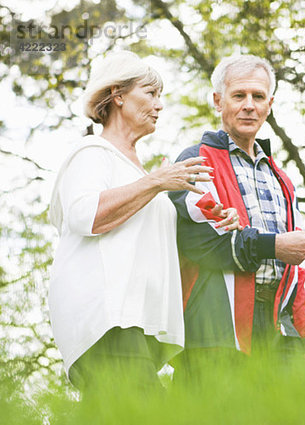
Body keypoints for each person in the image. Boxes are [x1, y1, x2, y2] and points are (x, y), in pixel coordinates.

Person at [48, 51, 240, 393]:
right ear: (118, 95)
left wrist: (214, 221)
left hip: (138, 330)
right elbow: (86, 214)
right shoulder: (91, 153)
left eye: (160, 96)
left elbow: (157, 243)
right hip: (106, 322)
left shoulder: (141, 174)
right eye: (151, 93)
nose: (159, 105)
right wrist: (156, 181)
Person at [168, 54, 305, 380]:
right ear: (217, 101)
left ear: (270, 104)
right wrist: (275, 245)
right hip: (215, 332)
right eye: (239, 95)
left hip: (275, 335)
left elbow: (294, 272)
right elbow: (204, 244)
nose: (249, 105)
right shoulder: (196, 161)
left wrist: (304, 344)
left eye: (258, 96)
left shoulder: (282, 179)